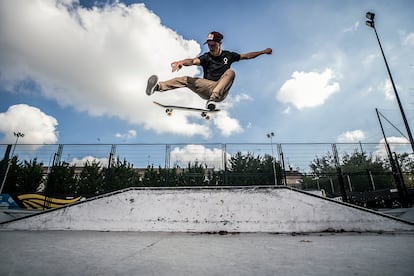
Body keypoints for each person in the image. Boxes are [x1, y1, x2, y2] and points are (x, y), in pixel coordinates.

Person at [146, 31, 272, 110]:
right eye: (209, 45)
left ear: (219, 43)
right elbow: (193, 61)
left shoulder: (229, 55)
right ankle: (157, 87)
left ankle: (212, 99)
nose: (211, 47)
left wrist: (262, 52)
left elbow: (246, 56)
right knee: (185, 79)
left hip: (221, 90)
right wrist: (182, 63)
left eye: (213, 45)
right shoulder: (206, 57)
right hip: (206, 88)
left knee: (231, 72)